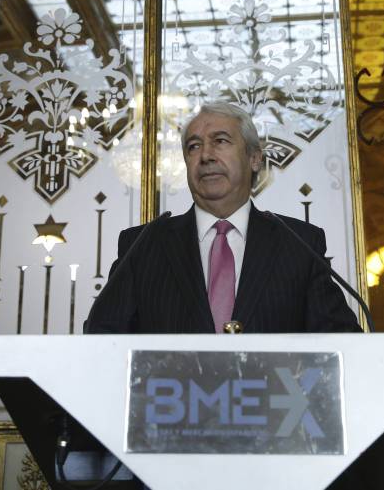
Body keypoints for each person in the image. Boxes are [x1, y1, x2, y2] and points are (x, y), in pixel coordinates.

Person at [84, 101, 360, 334]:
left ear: (254, 158)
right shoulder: (142, 245)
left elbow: (341, 339)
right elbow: (101, 338)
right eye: (194, 146)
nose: (205, 155)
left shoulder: (299, 244)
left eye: (220, 141)